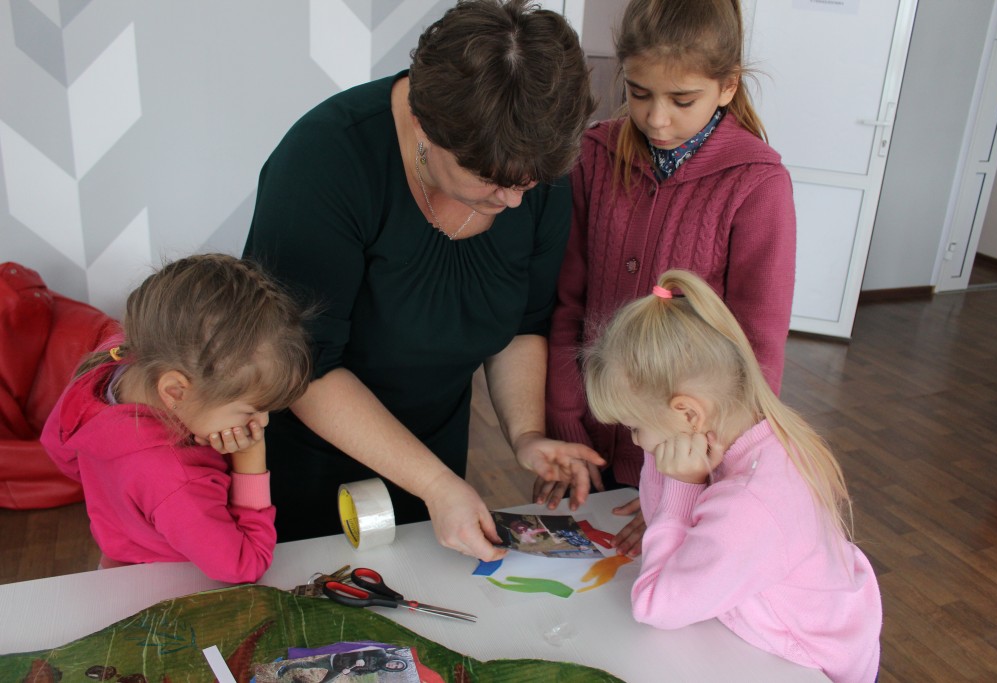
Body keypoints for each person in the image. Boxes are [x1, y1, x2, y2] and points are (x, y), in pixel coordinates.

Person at [243, 0, 600, 559]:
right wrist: (434, 483)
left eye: (528, 184)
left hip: (436, 457)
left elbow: (522, 325)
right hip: (307, 462)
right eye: (490, 180)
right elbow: (303, 368)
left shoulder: (531, 168)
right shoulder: (323, 163)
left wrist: (526, 436)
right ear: (423, 124)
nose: (513, 201)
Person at [542, 0, 797, 555]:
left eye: (683, 100)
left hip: (685, 458)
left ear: (727, 87)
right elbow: (566, 304)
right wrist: (564, 419)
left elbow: (758, 352)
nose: (657, 119)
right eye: (639, 93)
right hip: (586, 444)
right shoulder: (593, 157)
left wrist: (689, 482)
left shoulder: (758, 183)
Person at [583, 269, 881, 683]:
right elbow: (660, 523)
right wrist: (671, 467)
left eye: (635, 426)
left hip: (808, 665)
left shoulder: (750, 504)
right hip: (775, 632)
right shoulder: (752, 432)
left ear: (688, 414)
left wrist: (681, 487)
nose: (636, 441)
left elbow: (656, 604)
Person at [40, 254, 313, 584]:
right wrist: (249, 459)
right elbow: (246, 563)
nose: (262, 422)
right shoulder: (174, 478)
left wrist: (124, 499)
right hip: (172, 588)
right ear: (175, 391)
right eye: (249, 410)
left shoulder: (112, 361)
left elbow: (58, 447)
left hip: (118, 569)